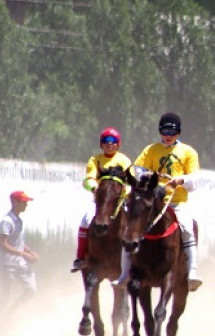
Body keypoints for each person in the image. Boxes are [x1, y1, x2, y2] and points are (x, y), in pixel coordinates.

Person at [112, 112, 202, 291]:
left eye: (172, 132)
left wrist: (179, 181)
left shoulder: (188, 152)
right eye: (165, 131)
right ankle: (124, 274)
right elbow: (137, 170)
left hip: (176, 203)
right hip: (151, 201)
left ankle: (192, 273)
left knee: (187, 227)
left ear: (179, 133)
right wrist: (151, 178)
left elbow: (195, 179)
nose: (168, 136)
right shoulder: (150, 150)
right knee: (130, 228)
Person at [72, 127, 132, 273]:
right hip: (100, 201)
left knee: (134, 224)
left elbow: (130, 181)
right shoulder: (95, 160)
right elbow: (89, 179)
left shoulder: (124, 160)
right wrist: (95, 188)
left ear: (118, 144)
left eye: (113, 141)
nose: (109, 144)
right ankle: (81, 258)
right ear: (101, 144)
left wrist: (125, 191)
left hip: (119, 201)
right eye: (106, 141)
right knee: (86, 220)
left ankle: (134, 261)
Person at [0, 191, 40, 313]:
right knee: (5, 294)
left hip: (20, 263)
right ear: (15, 202)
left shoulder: (19, 220)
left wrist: (30, 252)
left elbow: (18, 242)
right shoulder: (7, 221)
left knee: (32, 289)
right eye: (23, 202)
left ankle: (11, 312)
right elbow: (3, 244)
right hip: (8, 264)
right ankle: (1, 322)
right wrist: (24, 254)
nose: (26, 205)